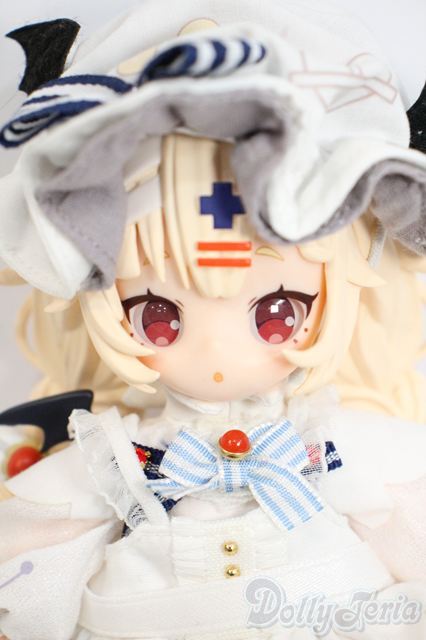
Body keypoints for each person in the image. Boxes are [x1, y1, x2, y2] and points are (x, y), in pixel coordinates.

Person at [0, 1, 425, 638]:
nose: (218, 354)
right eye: (159, 318)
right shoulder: (119, 456)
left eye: (277, 314)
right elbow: (40, 542)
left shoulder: (331, 446)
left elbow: (406, 528)